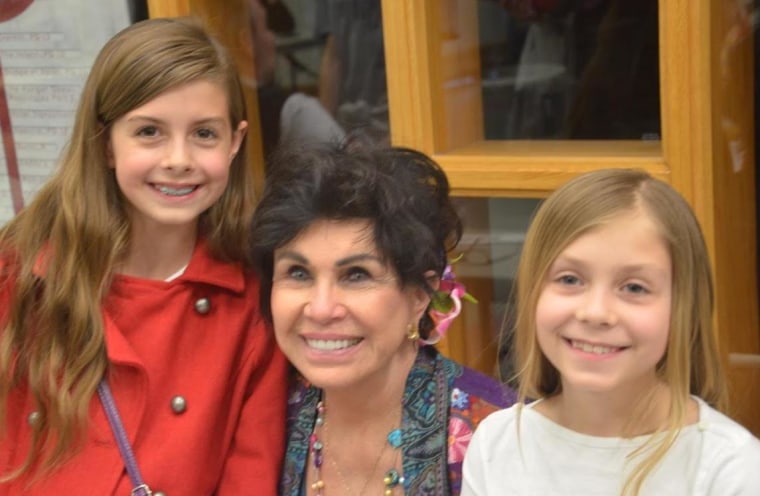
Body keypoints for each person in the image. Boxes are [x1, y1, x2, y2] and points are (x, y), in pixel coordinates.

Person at [0, 18, 287, 495]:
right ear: (105, 142)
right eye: (149, 132)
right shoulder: (20, 272)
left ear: (235, 142)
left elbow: (248, 479)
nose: (178, 159)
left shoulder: (252, 307)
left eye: (204, 134)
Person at [461, 169, 760, 495]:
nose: (596, 313)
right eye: (570, 279)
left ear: (683, 309)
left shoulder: (732, 469)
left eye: (634, 287)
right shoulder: (497, 444)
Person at [249, 142, 517, 495]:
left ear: (420, 294)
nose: (321, 308)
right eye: (298, 273)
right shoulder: (266, 419)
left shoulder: (499, 438)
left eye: (357, 275)